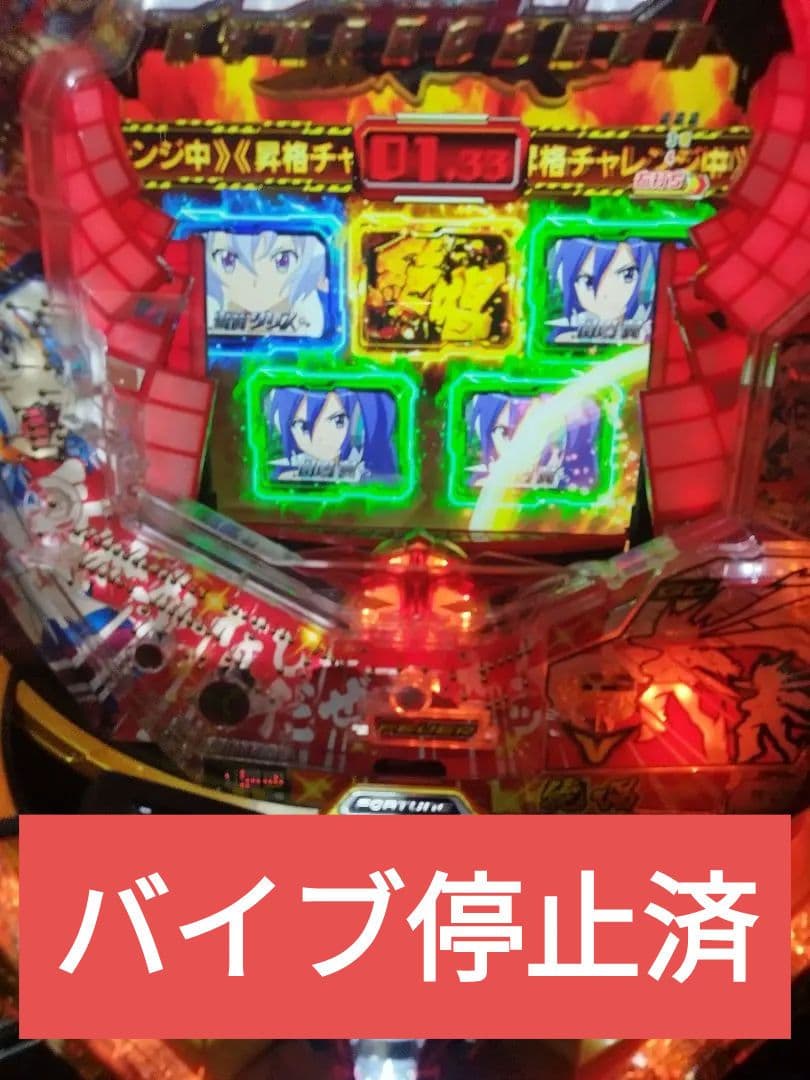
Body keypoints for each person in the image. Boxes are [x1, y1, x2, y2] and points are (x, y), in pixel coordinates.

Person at [465, 392, 600, 492]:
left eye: (546, 432)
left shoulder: (561, 482)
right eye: (505, 433)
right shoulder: (481, 486)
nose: (526, 445)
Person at [206, 230, 328, 337]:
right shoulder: (211, 308)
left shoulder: (306, 311)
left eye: (283, 261)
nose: (255, 282)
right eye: (228, 260)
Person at [264, 387, 398, 483]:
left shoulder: (368, 467)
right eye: (303, 427)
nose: (320, 437)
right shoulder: (287, 467)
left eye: (338, 421)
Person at [546, 237, 658, 344]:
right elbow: (564, 336)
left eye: (628, 275)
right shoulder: (567, 331)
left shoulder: (649, 319)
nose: (610, 293)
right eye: (588, 282)